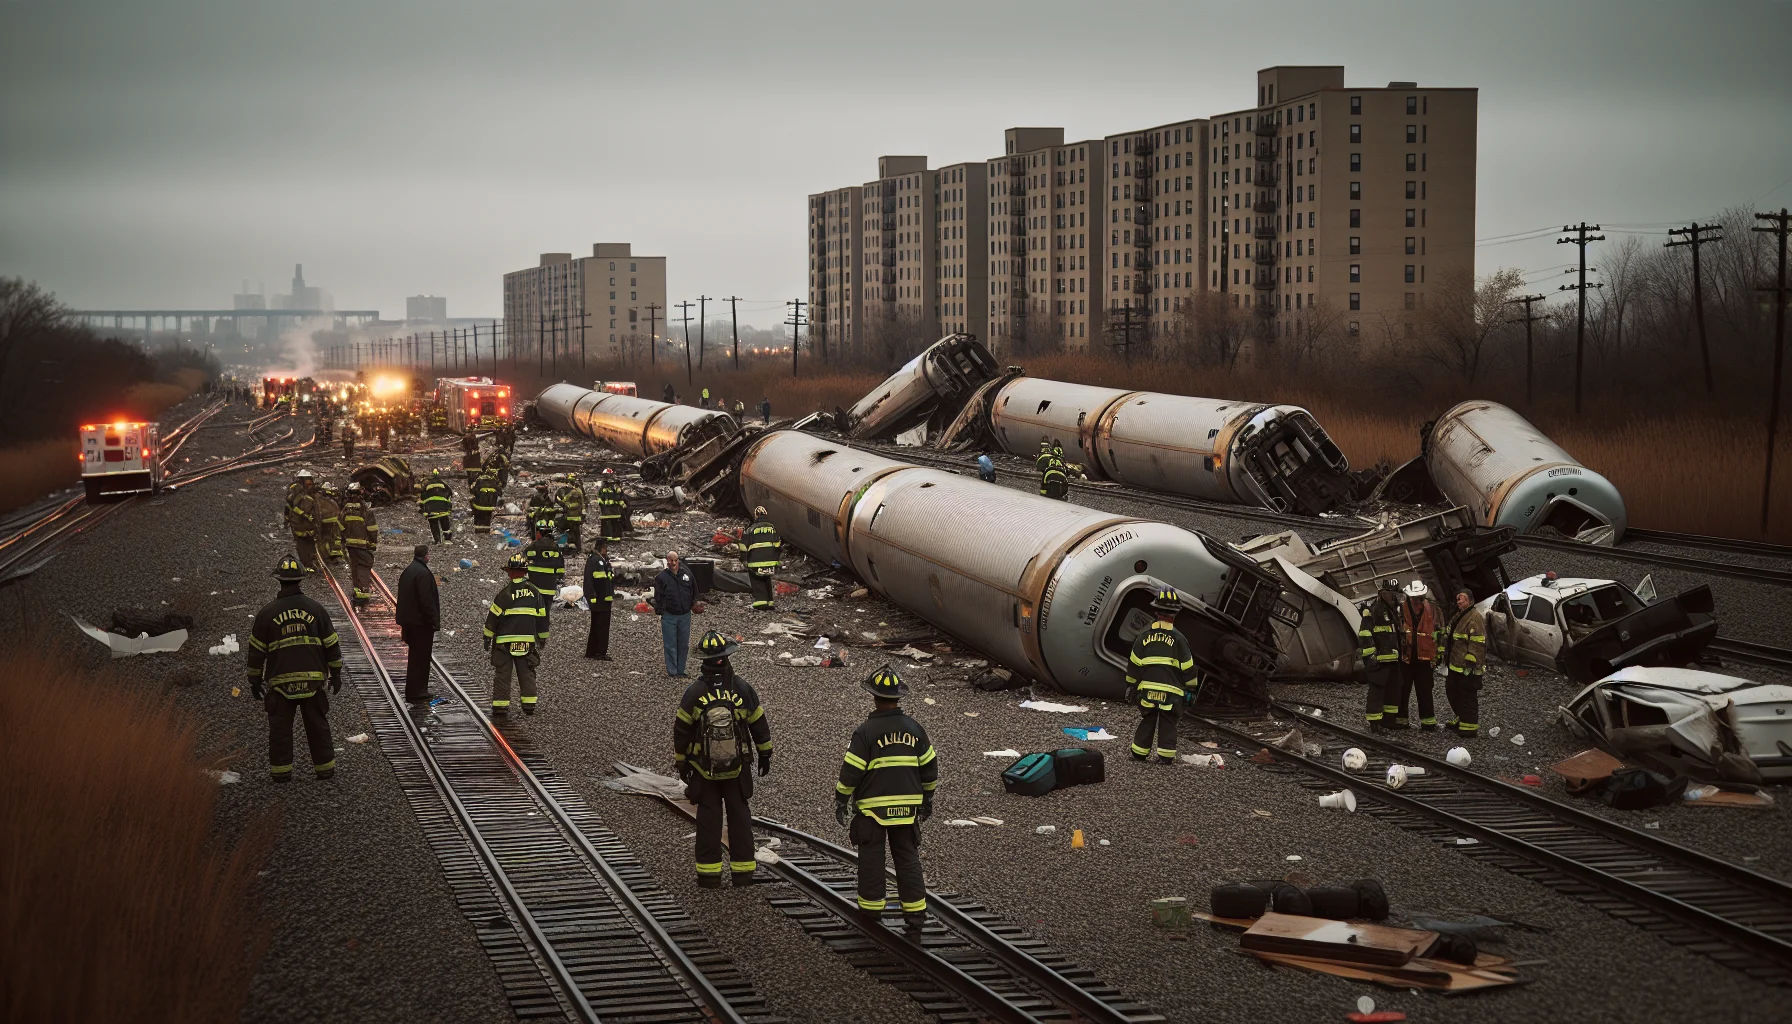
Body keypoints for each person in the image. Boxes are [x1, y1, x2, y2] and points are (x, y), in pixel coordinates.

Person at [836, 665, 937, 932]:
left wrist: (841, 799)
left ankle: (871, 913)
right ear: (898, 697)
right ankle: (915, 915)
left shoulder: (865, 732)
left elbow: (851, 771)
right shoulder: (915, 729)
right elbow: (929, 767)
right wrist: (927, 798)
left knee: (872, 858)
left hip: (872, 811)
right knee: (907, 858)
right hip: (907, 809)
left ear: (874, 696)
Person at [674, 631, 773, 888]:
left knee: (709, 820)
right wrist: (765, 753)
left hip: (704, 769)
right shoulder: (742, 689)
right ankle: (743, 874)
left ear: (703, 660)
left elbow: (682, 730)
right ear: (727, 657)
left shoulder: (695, 691)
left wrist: (682, 762)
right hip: (737, 768)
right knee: (739, 817)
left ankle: (709, 876)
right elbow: (758, 724)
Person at [245, 555, 343, 782]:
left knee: (280, 730)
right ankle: (325, 770)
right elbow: (331, 644)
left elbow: (256, 652)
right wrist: (335, 674)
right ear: (301, 579)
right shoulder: (316, 609)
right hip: (313, 682)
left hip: (280, 685)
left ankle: (281, 774)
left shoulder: (266, 614)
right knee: (318, 726)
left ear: (278, 580)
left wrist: (254, 681)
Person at [1125, 588, 1198, 763]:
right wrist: (1191, 689)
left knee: (1148, 719)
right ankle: (1165, 757)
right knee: (1168, 722)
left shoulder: (1143, 637)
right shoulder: (1179, 639)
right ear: (1175, 614)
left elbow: (1134, 664)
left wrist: (1131, 686)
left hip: (1147, 690)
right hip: (1171, 694)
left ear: (1156, 611)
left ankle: (1139, 753)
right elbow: (1188, 667)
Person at [484, 553, 549, 717]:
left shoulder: (504, 594)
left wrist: (487, 636)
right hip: (526, 640)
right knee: (527, 672)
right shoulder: (536, 593)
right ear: (525, 571)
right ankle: (529, 706)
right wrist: (542, 637)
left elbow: (493, 617)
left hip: (504, 642)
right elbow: (542, 617)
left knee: (503, 674)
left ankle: (500, 706)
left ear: (511, 572)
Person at [1394, 580, 1443, 730]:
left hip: (1425, 658)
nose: (1418, 599)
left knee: (1425, 691)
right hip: (1406, 658)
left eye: (1420, 596)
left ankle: (1428, 723)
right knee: (1403, 689)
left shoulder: (1433, 609)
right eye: (1415, 597)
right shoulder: (1400, 609)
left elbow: (1440, 631)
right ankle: (1401, 720)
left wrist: (1439, 653)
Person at [395, 544, 440, 702]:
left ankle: (414, 689)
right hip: (421, 623)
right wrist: (433, 620)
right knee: (421, 658)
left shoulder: (409, 570)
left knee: (415, 656)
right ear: (426, 555)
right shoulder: (423, 573)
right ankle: (418, 690)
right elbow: (426, 601)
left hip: (409, 621)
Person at [1358, 578, 1403, 730]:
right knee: (1377, 689)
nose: (1393, 597)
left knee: (1393, 688)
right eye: (1390, 594)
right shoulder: (1374, 610)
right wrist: (1371, 657)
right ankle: (1374, 722)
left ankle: (1388, 719)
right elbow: (1365, 635)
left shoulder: (1393, 610)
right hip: (1379, 659)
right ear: (1383, 593)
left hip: (1393, 658)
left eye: (1395, 594)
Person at [1444, 589, 1487, 737]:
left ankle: (1469, 728)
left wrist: (1471, 661)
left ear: (1470, 600)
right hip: (1456, 664)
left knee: (1467, 696)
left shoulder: (1474, 618)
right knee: (1452, 691)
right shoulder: (1459, 616)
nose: (1459, 601)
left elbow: (1478, 642)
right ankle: (1461, 719)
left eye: (1462, 598)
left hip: (1467, 667)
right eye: (1458, 598)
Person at [654, 550, 697, 677]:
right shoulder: (661, 578)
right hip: (669, 616)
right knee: (670, 644)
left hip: (685, 615)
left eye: (675, 560)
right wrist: (661, 610)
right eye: (671, 560)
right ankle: (672, 671)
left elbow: (694, 589)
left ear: (678, 560)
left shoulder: (687, 574)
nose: (673, 563)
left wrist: (694, 603)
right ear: (667, 561)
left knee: (683, 644)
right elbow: (658, 596)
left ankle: (680, 670)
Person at [738, 506, 782, 611]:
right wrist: (776, 559)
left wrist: (743, 559)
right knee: (767, 577)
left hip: (755, 561)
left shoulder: (750, 529)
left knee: (757, 579)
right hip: (771, 560)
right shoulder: (772, 528)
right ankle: (770, 601)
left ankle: (761, 601)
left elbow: (743, 546)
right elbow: (778, 545)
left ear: (756, 515)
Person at [341, 482, 377, 608]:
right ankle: (363, 593)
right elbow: (372, 529)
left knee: (355, 567)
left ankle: (357, 591)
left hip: (350, 546)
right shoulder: (365, 511)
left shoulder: (345, 510)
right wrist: (373, 543)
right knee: (364, 567)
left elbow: (340, 527)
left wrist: (342, 541)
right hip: (363, 546)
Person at [583, 536, 615, 659]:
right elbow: (589, 580)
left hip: (605, 599)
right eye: (605, 548)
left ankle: (592, 651)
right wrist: (591, 597)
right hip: (599, 600)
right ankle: (599, 652)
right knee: (600, 627)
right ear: (601, 548)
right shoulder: (594, 560)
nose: (606, 550)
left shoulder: (605, 561)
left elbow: (608, 578)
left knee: (598, 626)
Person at [285, 470, 321, 571]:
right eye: (307, 480)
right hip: (299, 523)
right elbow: (292, 506)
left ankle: (311, 560)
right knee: (302, 545)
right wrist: (304, 515)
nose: (309, 483)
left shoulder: (307, 491)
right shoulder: (296, 492)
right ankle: (306, 564)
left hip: (307, 523)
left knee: (309, 542)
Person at [419, 468, 453, 544]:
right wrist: (448, 505)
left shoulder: (426, 486)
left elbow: (422, 498)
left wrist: (424, 510)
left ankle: (437, 540)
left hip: (431, 509)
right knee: (445, 522)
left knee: (433, 524)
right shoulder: (443, 484)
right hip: (443, 508)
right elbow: (450, 493)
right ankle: (447, 539)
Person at [315, 482, 344, 561]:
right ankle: (335, 555)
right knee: (335, 538)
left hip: (325, 522)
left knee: (324, 539)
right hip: (333, 522)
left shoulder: (318, 499)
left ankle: (325, 555)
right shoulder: (332, 500)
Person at [558, 472, 587, 552]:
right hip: (576, 516)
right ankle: (577, 548)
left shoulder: (573, 492)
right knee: (576, 533)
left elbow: (564, 500)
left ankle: (573, 548)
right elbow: (583, 502)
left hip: (571, 516)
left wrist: (566, 504)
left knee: (572, 533)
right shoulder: (579, 490)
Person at [597, 468, 626, 543]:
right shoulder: (605, 487)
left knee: (613, 524)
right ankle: (610, 538)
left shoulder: (614, 487)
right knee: (610, 524)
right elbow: (600, 497)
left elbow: (619, 497)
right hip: (608, 510)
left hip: (612, 510)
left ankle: (613, 538)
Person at [469, 468, 501, 535]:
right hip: (490, 506)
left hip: (479, 506)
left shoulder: (479, 481)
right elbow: (500, 493)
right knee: (487, 518)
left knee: (478, 516)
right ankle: (486, 531)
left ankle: (478, 531)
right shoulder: (495, 483)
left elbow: (473, 491)